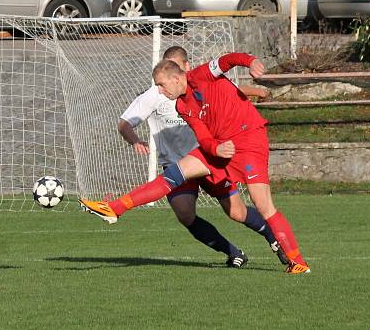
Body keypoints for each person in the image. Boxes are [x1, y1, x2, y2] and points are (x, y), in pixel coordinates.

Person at [81, 50, 310, 274]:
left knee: (262, 206)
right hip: (219, 147)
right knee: (171, 176)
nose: (160, 91)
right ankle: (114, 208)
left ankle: (297, 262)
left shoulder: (202, 74)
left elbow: (228, 60)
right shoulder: (182, 106)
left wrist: (250, 61)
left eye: (162, 85)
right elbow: (203, 137)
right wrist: (216, 148)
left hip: (249, 139)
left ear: (177, 77)